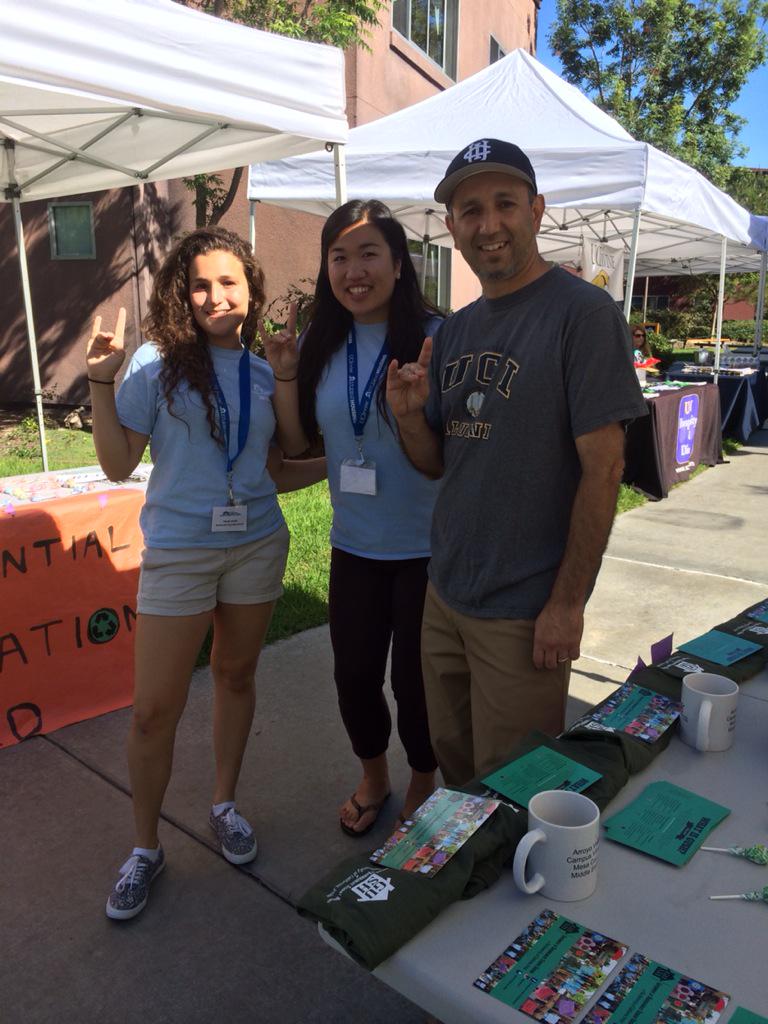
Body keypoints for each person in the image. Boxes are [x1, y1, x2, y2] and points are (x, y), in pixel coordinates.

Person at [386, 139, 648, 787]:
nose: (488, 224)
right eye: (470, 211)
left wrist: (567, 604)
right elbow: (438, 464)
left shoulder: (584, 315)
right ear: (452, 228)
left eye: (505, 203)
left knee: (515, 792)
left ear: (536, 210)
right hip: (446, 591)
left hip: (524, 608)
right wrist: (411, 418)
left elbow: (605, 470)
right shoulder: (456, 329)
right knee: (457, 774)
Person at [87, 226, 325, 920]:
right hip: (180, 553)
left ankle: (224, 804)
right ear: (181, 294)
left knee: (236, 676)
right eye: (200, 284)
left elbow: (283, 457)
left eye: (228, 282)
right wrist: (100, 380)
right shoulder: (155, 363)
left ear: (251, 289)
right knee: (153, 710)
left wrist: (288, 376)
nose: (215, 296)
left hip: (255, 544)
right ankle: (145, 849)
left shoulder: (264, 371)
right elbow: (117, 465)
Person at [262, 199, 442, 836]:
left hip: (427, 551)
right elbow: (296, 443)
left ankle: (422, 779)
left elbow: (448, 455)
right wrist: (286, 375)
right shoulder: (321, 340)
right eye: (339, 257)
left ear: (398, 263)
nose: (353, 271)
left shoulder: (436, 337)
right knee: (355, 676)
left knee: (417, 685)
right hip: (355, 546)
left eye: (369, 254)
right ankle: (374, 776)